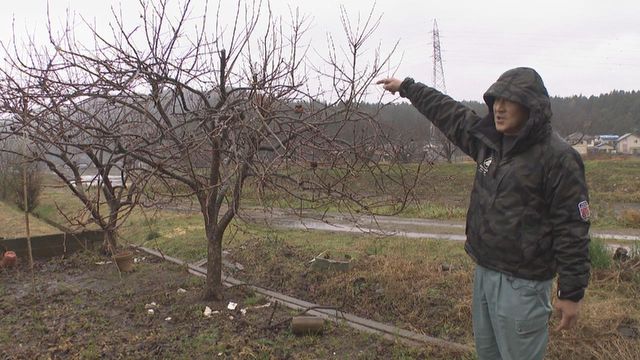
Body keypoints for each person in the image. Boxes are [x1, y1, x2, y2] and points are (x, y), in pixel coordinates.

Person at [377, 67, 590, 360]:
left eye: (508, 101)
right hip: (485, 272)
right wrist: (407, 87)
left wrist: (571, 292)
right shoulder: (489, 143)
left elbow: (573, 228)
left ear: (530, 106)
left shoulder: (558, 158)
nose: (498, 108)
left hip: (523, 285)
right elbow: (448, 112)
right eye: (495, 101)